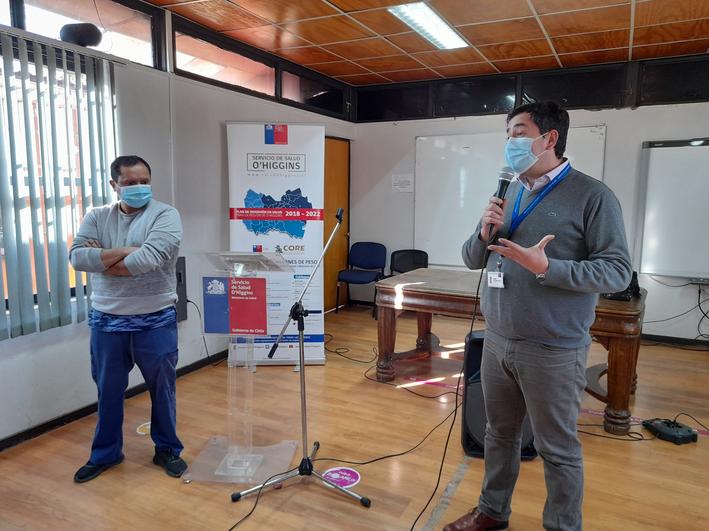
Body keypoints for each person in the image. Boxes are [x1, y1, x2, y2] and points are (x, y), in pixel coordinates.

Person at [444, 102, 632, 531]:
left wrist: (546, 267)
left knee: (557, 449)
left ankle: (562, 526)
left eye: (518, 132)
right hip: (498, 340)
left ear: (549, 138)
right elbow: (473, 259)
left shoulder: (593, 196)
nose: (510, 142)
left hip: (553, 348)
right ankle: (492, 512)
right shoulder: (510, 190)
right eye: (508, 134)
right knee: (498, 434)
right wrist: (483, 232)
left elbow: (617, 272)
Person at [69, 155, 187, 483]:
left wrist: (102, 257)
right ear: (114, 185)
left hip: (155, 318)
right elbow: (77, 259)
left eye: (143, 181)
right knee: (107, 391)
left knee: (162, 390)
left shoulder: (165, 215)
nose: (139, 187)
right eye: (130, 183)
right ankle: (105, 454)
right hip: (107, 320)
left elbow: (146, 261)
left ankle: (167, 449)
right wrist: (126, 250)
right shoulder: (96, 216)